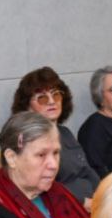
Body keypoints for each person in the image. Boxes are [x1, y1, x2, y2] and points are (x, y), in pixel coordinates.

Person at [11, 66, 101, 204]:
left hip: (93, 203)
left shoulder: (65, 132)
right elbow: (40, 189)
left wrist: (104, 194)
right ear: (27, 106)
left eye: (56, 94)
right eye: (42, 98)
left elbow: (87, 170)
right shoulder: (28, 141)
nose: (52, 101)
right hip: (63, 210)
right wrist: (82, 201)